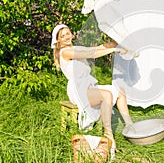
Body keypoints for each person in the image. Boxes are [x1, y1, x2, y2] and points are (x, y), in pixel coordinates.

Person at [51, 24, 133, 155]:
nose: (66, 37)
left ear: (72, 34)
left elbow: (97, 48)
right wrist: (114, 50)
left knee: (119, 92)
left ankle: (130, 126)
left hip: (87, 86)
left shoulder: (74, 47)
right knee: (106, 95)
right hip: (78, 90)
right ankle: (108, 134)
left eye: (68, 33)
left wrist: (115, 43)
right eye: (63, 36)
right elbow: (91, 53)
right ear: (58, 40)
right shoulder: (65, 52)